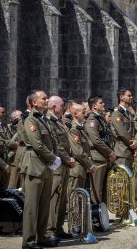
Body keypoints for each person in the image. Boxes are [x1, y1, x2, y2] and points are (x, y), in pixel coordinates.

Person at [21, 90, 61, 249]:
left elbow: (52, 142)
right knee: (32, 206)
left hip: (46, 166)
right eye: (43, 98)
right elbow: (37, 144)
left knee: (44, 205)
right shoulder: (31, 120)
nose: (47, 100)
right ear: (34, 103)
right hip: (35, 166)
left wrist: (53, 158)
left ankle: (41, 236)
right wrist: (53, 158)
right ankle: (28, 241)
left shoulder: (44, 119)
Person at [46, 96, 76, 240]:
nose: (64, 107)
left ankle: (58, 228)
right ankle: (50, 230)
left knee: (62, 198)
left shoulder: (58, 121)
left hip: (64, 164)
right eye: (62, 105)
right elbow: (56, 145)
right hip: (57, 164)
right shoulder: (48, 121)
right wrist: (68, 159)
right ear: (54, 107)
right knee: (54, 198)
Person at [86, 96, 116, 204]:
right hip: (98, 157)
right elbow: (96, 140)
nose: (103, 104)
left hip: (105, 157)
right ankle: (96, 216)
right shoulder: (92, 120)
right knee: (97, 189)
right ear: (94, 106)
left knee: (104, 188)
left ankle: (102, 216)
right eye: (101, 103)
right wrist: (110, 152)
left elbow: (107, 137)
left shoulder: (101, 119)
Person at [67, 103, 96, 196]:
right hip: (77, 169)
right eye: (83, 113)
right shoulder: (74, 129)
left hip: (82, 168)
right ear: (75, 114)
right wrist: (90, 165)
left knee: (80, 197)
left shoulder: (80, 128)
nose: (85, 115)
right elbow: (78, 151)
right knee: (74, 197)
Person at [111, 88, 137, 168]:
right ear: (121, 97)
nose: (131, 97)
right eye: (129, 95)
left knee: (129, 179)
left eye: (131, 96)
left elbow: (133, 130)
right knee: (122, 178)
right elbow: (123, 132)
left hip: (130, 151)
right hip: (122, 151)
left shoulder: (128, 113)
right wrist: (133, 144)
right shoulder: (117, 113)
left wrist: (135, 141)